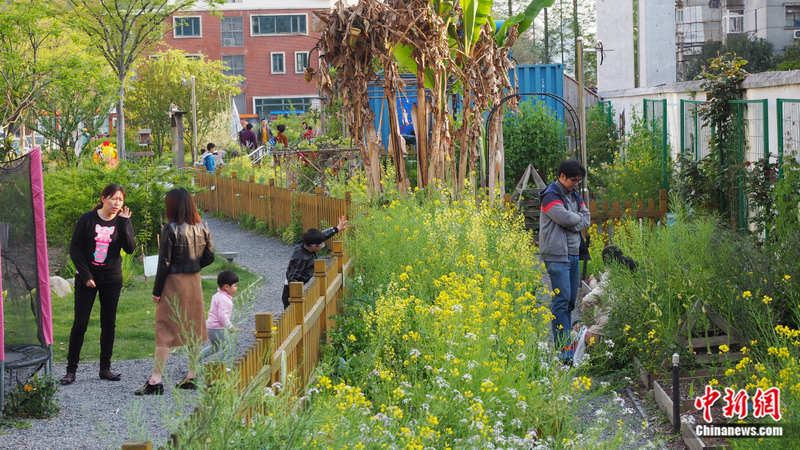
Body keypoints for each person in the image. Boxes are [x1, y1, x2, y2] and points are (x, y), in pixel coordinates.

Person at [136, 188, 214, 395]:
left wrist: (156, 290)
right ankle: (192, 375)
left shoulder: (170, 228)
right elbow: (210, 257)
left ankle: (155, 380)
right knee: (193, 328)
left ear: (172, 205)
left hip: (173, 282)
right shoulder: (202, 227)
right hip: (194, 282)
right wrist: (193, 266)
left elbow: (164, 262)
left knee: (165, 331)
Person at [62, 184, 135, 385]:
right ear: (103, 198)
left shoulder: (123, 221)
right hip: (87, 279)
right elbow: (75, 249)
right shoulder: (87, 219)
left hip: (111, 279)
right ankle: (71, 370)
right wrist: (85, 275)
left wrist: (124, 225)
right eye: (112, 198)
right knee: (80, 323)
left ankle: (105, 368)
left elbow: (129, 249)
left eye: (120, 199)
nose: (116, 203)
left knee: (108, 324)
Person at [538, 159, 591, 363]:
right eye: (573, 180)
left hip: (574, 253)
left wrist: (573, 218)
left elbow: (586, 218)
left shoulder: (574, 195)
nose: (576, 184)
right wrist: (574, 218)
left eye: (578, 181)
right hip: (557, 254)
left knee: (570, 301)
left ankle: (568, 343)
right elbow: (567, 219)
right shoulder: (550, 195)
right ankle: (563, 349)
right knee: (561, 301)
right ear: (562, 176)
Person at [282, 216, 349, 309]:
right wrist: (297, 294)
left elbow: (321, 235)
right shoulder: (301, 259)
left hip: (299, 283)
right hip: (291, 291)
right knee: (292, 310)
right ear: (314, 246)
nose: (323, 245)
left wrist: (336, 229)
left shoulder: (304, 243)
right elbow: (293, 278)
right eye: (322, 245)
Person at [200, 270, 238, 361]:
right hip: (218, 329)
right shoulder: (224, 299)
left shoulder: (217, 295)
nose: (236, 288)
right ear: (226, 287)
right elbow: (222, 316)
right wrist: (230, 327)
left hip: (210, 328)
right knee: (226, 347)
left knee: (214, 347)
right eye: (235, 286)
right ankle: (221, 367)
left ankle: (196, 359)